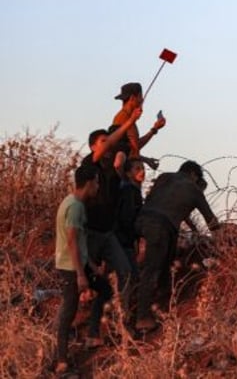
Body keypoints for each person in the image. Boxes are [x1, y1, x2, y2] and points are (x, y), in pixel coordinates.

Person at [134, 160, 220, 332]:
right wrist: (222, 239)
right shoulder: (194, 189)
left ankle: (158, 296)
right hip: (160, 227)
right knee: (152, 269)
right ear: (194, 175)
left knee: (164, 254)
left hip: (141, 220)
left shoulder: (164, 178)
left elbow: (163, 203)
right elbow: (212, 222)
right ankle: (142, 317)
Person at [80, 107, 142, 343]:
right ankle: (90, 332)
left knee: (124, 274)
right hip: (90, 234)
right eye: (103, 141)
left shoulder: (113, 171)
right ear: (93, 147)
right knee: (91, 286)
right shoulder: (90, 166)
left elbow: (128, 157)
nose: (108, 145)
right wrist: (130, 122)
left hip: (108, 235)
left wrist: (152, 131)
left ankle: (120, 325)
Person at [54, 163, 113, 374]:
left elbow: (78, 241)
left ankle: (92, 334)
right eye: (97, 182)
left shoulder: (70, 202)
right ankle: (61, 362)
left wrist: (91, 266)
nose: (98, 186)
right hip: (70, 267)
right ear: (89, 183)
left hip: (75, 264)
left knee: (105, 289)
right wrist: (81, 274)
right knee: (68, 312)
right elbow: (71, 241)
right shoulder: (76, 207)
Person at [111, 82, 166, 169]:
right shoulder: (123, 119)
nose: (142, 100)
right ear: (133, 98)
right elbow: (130, 153)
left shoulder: (126, 119)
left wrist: (154, 129)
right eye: (140, 97)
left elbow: (133, 147)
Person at [116, 157, 145, 278]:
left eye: (143, 168)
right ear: (128, 173)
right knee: (129, 276)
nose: (142, 172)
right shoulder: (129, 191)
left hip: (125, 240)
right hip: (124, 241)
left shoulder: (133, 190)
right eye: (137, 169)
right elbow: (127, 218)